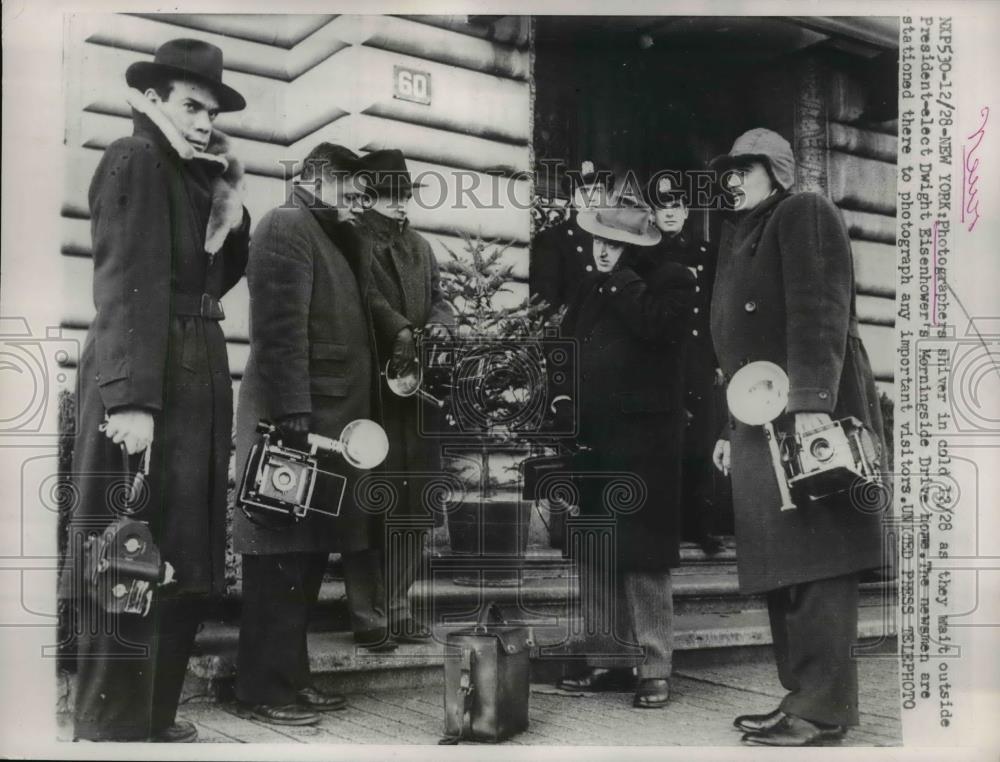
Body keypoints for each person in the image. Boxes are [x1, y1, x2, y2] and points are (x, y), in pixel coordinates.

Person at [63, 38, 251, 743]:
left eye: (211, 111)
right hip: (150, 380)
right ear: (151, 100)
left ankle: (154, 716)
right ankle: (112, 727)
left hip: (195, 373)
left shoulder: (196, 176)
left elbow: (217, 277)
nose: (204, 121)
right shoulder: (135, 158)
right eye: (190, 106)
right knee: (128, 552)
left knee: (181, 555)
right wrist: (130, 399)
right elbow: (123, 285)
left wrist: (229, 199)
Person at [708, 128, 887, 746]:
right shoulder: (746, 232)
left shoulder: (803, 212)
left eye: (743, 169)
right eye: (727, 171)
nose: (730, 180)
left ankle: (823, 709)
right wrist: (729, 428)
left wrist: (814, 403)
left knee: (818, 562)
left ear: (777, 171)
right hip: (762, 420)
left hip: (805, 417)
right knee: (785, 565)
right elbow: (739, 349)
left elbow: (820, 308)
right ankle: (802, 698)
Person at [232, 143, 393, 727]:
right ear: (318, 179)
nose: (360, 198)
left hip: (321, 429)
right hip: (293, 427)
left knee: (301, 561)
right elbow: (276, 330)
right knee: (277, 560)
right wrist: (293, 414)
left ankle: (291, 680)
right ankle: (260, 690)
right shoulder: (285, 225)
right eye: (351, 186)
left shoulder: (327, 230)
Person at [552, 204, 696, 709]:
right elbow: (566, 347)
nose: (602, 250)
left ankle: (655, 666)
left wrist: (621, 282)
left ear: (637, 246)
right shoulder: (592, 286)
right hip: (595, 441)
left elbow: (655, 329)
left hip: (645, 445)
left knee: (643, 556)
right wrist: (563, 403)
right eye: (597, 240)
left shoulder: (672, 280)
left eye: (613, 243)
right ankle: (607, 660)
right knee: (595, 552)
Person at [353, 148, 454, 642]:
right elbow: (364, 299)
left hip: (418, 399)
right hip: (373, 396)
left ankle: (397, 605)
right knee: (373, 507)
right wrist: (399, 331)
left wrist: (438, 326)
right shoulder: (355, 241)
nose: (398, 203)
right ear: (369, 195)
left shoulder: (419, 246)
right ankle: (368, 615)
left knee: (415, 507)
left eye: (404, 193)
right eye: (389, 194)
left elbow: (439, 297)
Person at [643, 173, 726, 555]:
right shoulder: (644, 255)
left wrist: (717, 358)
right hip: (661, 360)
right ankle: (667, 527)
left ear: (687, 210)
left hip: (698, 358)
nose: (671, 212)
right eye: (663, 206)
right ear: (653, 213)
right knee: (664, 442)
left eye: (676, 205)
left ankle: (702, 527)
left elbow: (714, 309)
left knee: (702, 440)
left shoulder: (706, 254)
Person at [529, 159, 615, 318]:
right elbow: (546, 305)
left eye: (598, 191)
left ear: (608, 197)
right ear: (572, 199)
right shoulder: (552, 240)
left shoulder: (617, 241)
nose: (592, 198)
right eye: (584, 192)